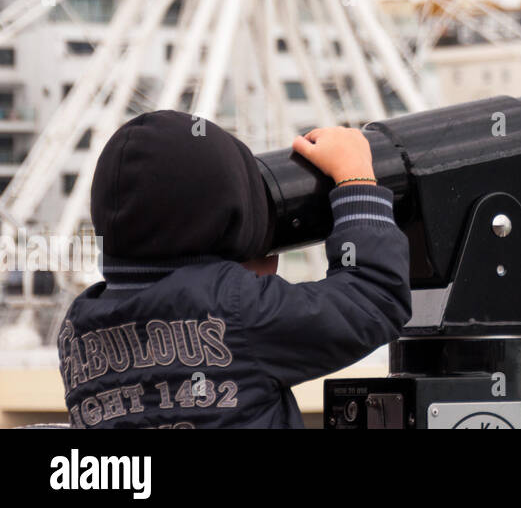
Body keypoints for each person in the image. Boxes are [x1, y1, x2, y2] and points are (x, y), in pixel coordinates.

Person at [56, 110, 410, 428]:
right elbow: (373, 298)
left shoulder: (78, 329)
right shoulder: (238, 309)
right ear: (229, 219)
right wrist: (355, 182)